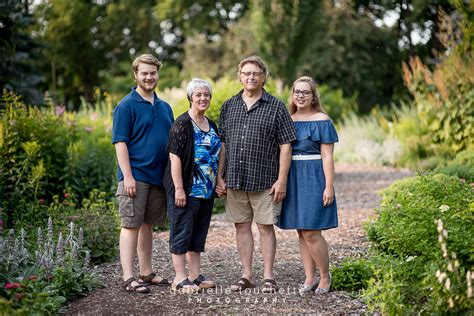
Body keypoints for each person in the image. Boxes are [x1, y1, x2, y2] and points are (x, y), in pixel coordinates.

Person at [216, 56, 296, 293]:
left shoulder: (276, 106)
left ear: (264, 77)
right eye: (246, 73)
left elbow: (286, 145)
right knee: (241, 227)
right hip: (236, 179)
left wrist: (282, 180)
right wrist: (220, 176)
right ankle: (246, 275)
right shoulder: (229, 106)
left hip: (265, 181)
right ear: (240, 77)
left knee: (265, 227)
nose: (251, 77)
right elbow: (223, 144)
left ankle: (269, 276)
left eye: (255, 74)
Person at [112, 54, 174, 293]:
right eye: (144, 73)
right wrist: (127, 176)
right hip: (135, 176)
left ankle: (146, 272)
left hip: (157, 177)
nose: (149, 77)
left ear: (157, 74)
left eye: (153, 73)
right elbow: (120, 143)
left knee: (148, 225)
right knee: (130, 225)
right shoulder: (126, 105)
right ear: (136, 74)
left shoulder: (165, 107)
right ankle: (128, 277)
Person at [277, 76, 339, 295]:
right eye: (297, 91)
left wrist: (328, 186)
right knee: (301, 231)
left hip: (313, 177)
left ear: (313, 96)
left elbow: (327, 157)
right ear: (292, 94)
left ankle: (324, 275)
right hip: (292, 177)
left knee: (312, 231)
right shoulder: (287, 119)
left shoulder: (322, 120)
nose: (300, 96)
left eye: (305, 92)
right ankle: (309, 277)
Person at [163, 78, 221, 294]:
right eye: (198, 95)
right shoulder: (182, 124)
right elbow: (174, 158)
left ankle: (195, 276)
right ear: (190, 98)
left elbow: (218, 152)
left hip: (205, 190)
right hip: (185, 188)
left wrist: (219, 180)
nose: (203, 98)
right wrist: (179, 188)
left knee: (197, 233)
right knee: (181, 230)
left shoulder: (211, 123)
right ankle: (179, 278)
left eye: (206, 94)